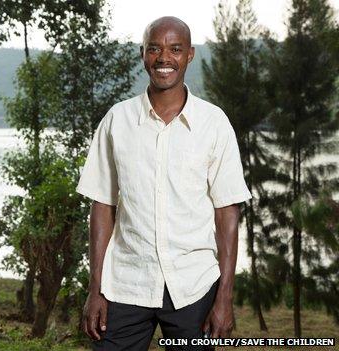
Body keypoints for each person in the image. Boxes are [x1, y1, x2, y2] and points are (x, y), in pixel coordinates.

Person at [77, 17, 251, 350]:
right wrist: (95, 288)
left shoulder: (214, 124)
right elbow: (102, 205)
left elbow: (227, 212)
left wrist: (225, 297)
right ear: (143, 54)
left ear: (190, 55)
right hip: (126, 283)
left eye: (175, 49)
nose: (163, 58)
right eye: (154, 48)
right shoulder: (117, 120)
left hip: (194, 284)